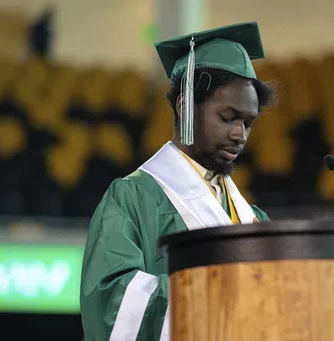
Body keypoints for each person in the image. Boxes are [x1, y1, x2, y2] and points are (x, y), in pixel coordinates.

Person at [80, 21, 275, 341]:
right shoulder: (132, 198)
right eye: (227, 118)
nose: (239, 135)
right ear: (186, 108)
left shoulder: (251, 217)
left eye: (248, 123)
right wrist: (211, 291)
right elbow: (109, 303)